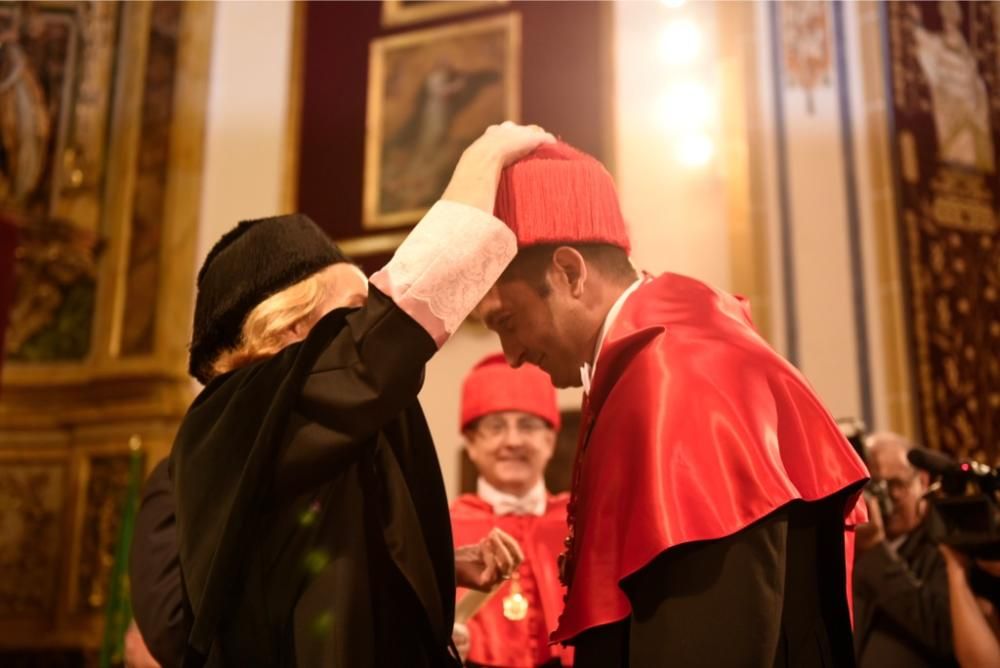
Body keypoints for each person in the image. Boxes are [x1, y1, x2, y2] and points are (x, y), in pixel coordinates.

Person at [146, 122, 554, 667]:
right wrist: (483, 158)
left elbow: (316, 555)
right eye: (352, 312)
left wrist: (442, 564)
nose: (369, 324)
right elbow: (378, 347)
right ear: (291, 327)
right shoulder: (235, 413)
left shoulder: (301, 423)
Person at [474, 140, 871, 666]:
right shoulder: (655, 362)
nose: (513, 355)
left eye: (507, 321)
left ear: (569, 272)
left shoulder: (682, 380)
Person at [450, 353, 573, 667]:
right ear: (472, 443)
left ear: (550, 439)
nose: (513, 441)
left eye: (528, 426)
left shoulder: (580, 522)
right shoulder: (444, 528)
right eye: (495, 427)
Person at [852, 432, 957, 667]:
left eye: (897, 484)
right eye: (876, 486)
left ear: (923, 480)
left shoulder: (946, 546)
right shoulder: (855, 547)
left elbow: (944, 630)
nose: (889, 497)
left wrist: (876, 549)